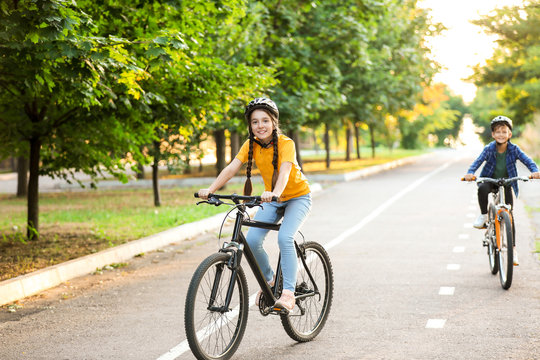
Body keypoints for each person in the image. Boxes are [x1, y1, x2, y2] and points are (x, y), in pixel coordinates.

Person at [198, 98, 311, 312]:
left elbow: (285, 171)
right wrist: (211, 189)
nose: (260, 126)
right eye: (255, 122)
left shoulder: (286, 143)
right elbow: (232, 168)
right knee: (251, 240)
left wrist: (275, 193)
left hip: (298, 197)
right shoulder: (250, 145)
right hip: (272, 199)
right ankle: (270, 281)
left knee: (285, 238)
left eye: (265, 120)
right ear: (250, 126)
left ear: (274, 122)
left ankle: (288, 293)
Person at [463, 115, 540, 265]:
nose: (501, 134)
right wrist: (470, 173)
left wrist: (535, 171)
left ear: (509, 134)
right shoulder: (489, 149)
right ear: (493, 134)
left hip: (507, 182)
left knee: (509, 216)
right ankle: (484, 216)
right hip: (490, 180)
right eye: (497, 132)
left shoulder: (514, 149)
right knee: (482, 188)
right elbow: (477, 162)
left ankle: (513, 249)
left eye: (504, 131)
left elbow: (528, 161)